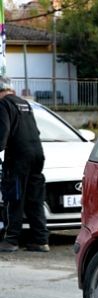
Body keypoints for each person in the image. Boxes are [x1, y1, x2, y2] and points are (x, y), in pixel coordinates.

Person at [0, 76, 49, 252]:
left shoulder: (4, 105)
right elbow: (35, 130)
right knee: (34, 199)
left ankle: (11, 240)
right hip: (37, 154)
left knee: (14, 197)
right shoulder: (25, 104)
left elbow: (2, 132)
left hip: (18, 158)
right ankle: (40, 240)